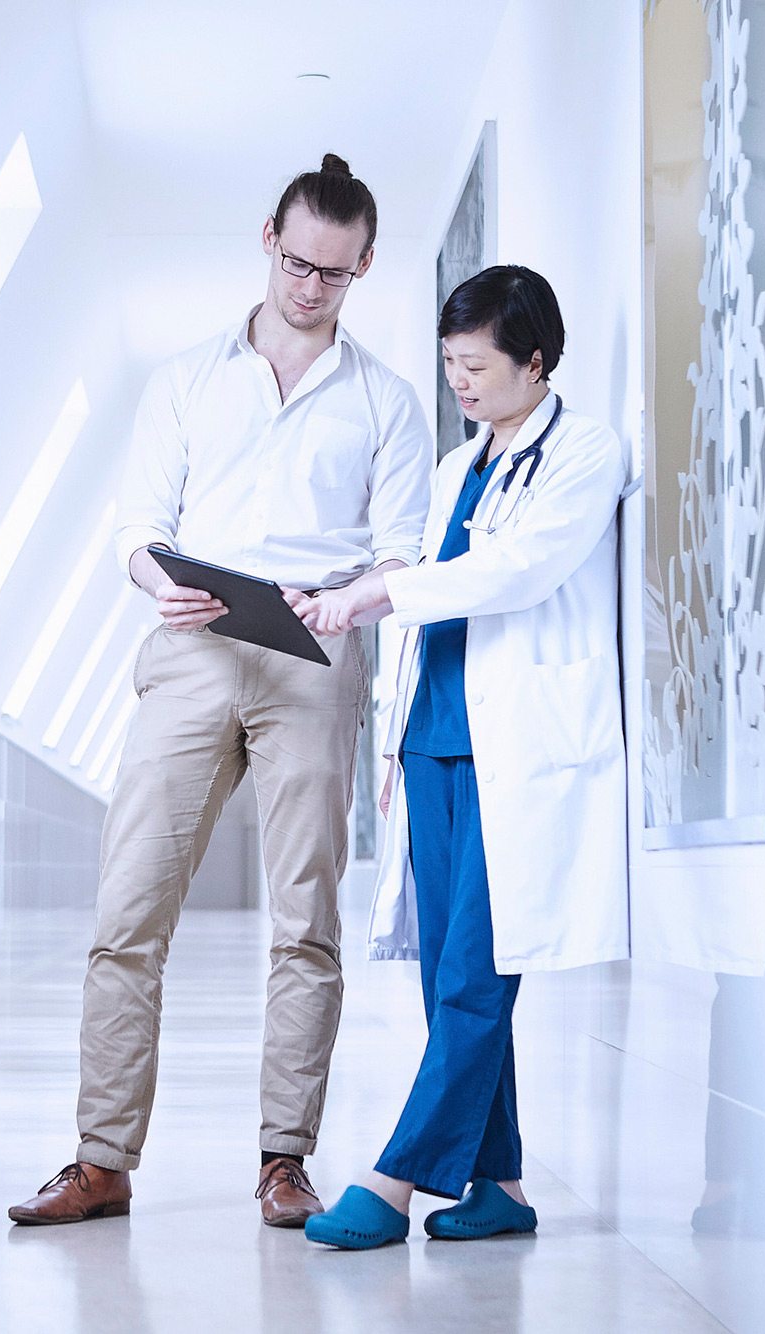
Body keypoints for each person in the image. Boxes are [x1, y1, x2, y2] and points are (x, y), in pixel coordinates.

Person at [8, 155, 432, 1228]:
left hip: (316, 655)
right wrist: (159, 580)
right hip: (194, 647)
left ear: (363, 266)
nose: (311, 287)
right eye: (298, 263)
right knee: (128, 908)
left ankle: (284, 1160)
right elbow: (138, 527)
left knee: (306, 920)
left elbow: (401, 554)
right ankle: (101, 1159)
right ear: (268, 241)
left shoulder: (384, 401)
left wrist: (344, 602)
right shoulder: (185, 380)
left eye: (335, 273)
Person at [289, 266, 629, 1248]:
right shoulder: (453, 466)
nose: (459, 384)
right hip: (433, 738)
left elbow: (518, 569)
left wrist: (378, 594)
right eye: (450, 365)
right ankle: (500, 1182)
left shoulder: (584, 451)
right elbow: (421, 576)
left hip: (516, 748)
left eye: (476, 366)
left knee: (477, 974)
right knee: (447, 972)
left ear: (536, 360)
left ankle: (395, 1178)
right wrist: (359, 599)